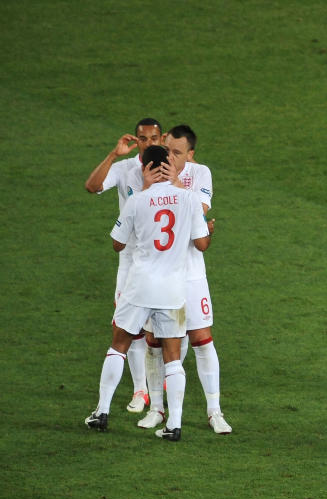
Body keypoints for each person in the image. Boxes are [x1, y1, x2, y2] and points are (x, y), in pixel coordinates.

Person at [84, 145, 210, 441]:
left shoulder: (137, 200)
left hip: (139, 286)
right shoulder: (190, 200)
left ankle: (102, 411)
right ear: (170, 165)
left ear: (146, 168)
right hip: (173, 290)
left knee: (118, 346)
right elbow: (201, 241)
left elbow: (117, 244)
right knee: (173, 358)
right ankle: (174, 425)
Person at [136, 125, 232, 435]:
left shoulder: (200, 174)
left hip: (190, 273)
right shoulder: (150, 176)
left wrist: (173, 183)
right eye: (167, 149)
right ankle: (156, 409)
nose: (169, 156)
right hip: (160, 274)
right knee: (153, 343)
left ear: (190, 154)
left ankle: (214, 411)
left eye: (177, 152)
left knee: (202, 340)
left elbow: (200, 211)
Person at [84, 118, 165, 414]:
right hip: (130, 263)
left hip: (164, 262)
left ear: (163, 138)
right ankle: (141, 390)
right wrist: (113, 155)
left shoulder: (172, 172)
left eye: (154, 138)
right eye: (143, 138)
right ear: (137, 141)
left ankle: (161, 388)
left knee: (166, 330)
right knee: (129, 330)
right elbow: (92, 187)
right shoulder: (124, 169)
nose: (148, 143)